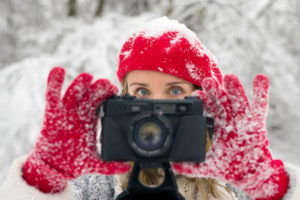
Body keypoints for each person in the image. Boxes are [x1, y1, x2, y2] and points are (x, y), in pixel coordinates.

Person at [0, 17, 299, 200]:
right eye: (142, 92)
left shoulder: (236, 177)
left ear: (203, 102)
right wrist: (43, 178)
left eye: (175, 91)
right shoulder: (94, 181)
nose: (156, 110)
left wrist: (270, 187)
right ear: (122, 97)